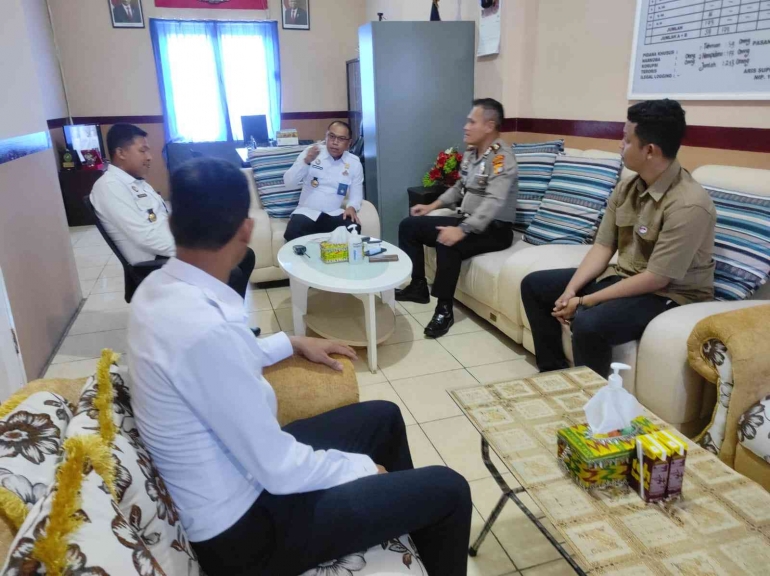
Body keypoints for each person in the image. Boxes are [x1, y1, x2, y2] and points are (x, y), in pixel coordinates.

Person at [127, 158, 472, 576]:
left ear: (172, 221)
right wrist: (365, 470)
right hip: (248, 530)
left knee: (384, 416)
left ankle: (408, 521)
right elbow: (278, 467)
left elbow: (215, 367)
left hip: (244, 475)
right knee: (451, 489)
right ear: (246, 229)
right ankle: (416, 510)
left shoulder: (160, 288)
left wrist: (290, 342)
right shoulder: (202, 329)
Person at [521, 99, 716, 378]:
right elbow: (603, 246)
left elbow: (656, 278)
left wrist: (587, 302)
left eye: (626, 139)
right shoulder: (627, 187)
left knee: (589, 323)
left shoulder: (689, 204)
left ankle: (594, 401)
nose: (619, 145)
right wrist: (571, 291)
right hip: (626, 276)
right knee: (535, 286)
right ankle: (555, 374)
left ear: (649, 150)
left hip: (670, 293)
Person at [396, 98, 518, 338]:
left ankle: (444, 309)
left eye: (472, 121)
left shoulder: (502, 158)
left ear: (489, 126)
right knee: (409, 226)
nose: (466, 126)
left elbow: (494, 202)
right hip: (467, 220)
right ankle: (417, 286)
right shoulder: (472, 154)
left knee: (447, 240)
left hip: (495, 229)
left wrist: (462, 230)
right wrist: (431, 206)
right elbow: (459, 188)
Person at [90, 124, 255, 300]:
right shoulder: (110, 187)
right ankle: (224, 318)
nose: (150, 157)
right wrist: (194, 249)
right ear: (121, 153)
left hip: (168, 248)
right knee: (233, 271)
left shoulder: (136, 182)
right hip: (153, 261)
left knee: (245, 255)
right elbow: (146, 237)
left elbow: (161, 219)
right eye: (143, 151)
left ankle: (231, 316)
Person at [282, 121, 363, 242]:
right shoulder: (312, 153)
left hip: (334, 213)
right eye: (332, 136)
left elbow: (356, 196)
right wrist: (306, 161)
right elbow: (288, 183)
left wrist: (352, 207)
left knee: (354, 227)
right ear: (326, 136)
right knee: (293, 231)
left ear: (349, 143)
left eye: (341, 138)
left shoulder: (354, 163)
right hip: (307, 212)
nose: (335, 142)